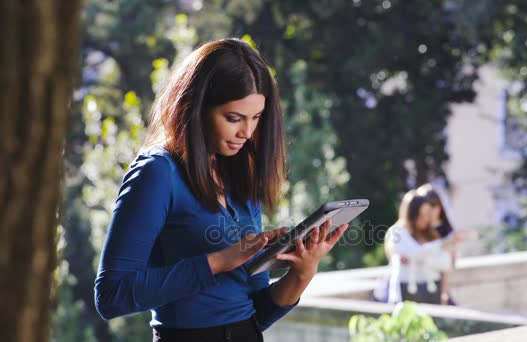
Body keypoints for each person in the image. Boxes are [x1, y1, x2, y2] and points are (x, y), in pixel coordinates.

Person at [94, 38, 348, 342]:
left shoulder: (239, 174)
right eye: (234, 118)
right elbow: (111, 296)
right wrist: (218, 261)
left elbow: (253, 315)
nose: (247, 132)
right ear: (196, 108)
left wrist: (302, 272)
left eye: (256, 118)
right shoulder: (157, 172)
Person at [384, 190, 464, 304]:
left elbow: (445, 263)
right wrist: (440, 246)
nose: (426, 218)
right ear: (413, 214)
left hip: (432, 292)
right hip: (406, 291)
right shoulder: (397, 232)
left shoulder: (431, 234)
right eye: (422, 214)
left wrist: (420, 258)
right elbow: (416, 253)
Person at [417, 182, 458, 305]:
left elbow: (449, 266)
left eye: (433, 206)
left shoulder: (446, 231)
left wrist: (444, 294)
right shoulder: (416, 229)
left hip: (437, 287)